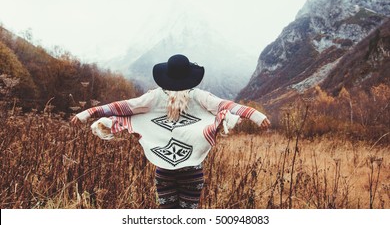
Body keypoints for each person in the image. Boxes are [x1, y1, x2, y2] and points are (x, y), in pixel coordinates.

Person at [71, 54, 271, 209]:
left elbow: (123, 107)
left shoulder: (154, 97)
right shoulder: (200, 96)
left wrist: (90, 112)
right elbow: (225, 106)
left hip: (164, 169)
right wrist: (255, 115)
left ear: (166, 75)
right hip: (192, 171)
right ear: (190, 76)